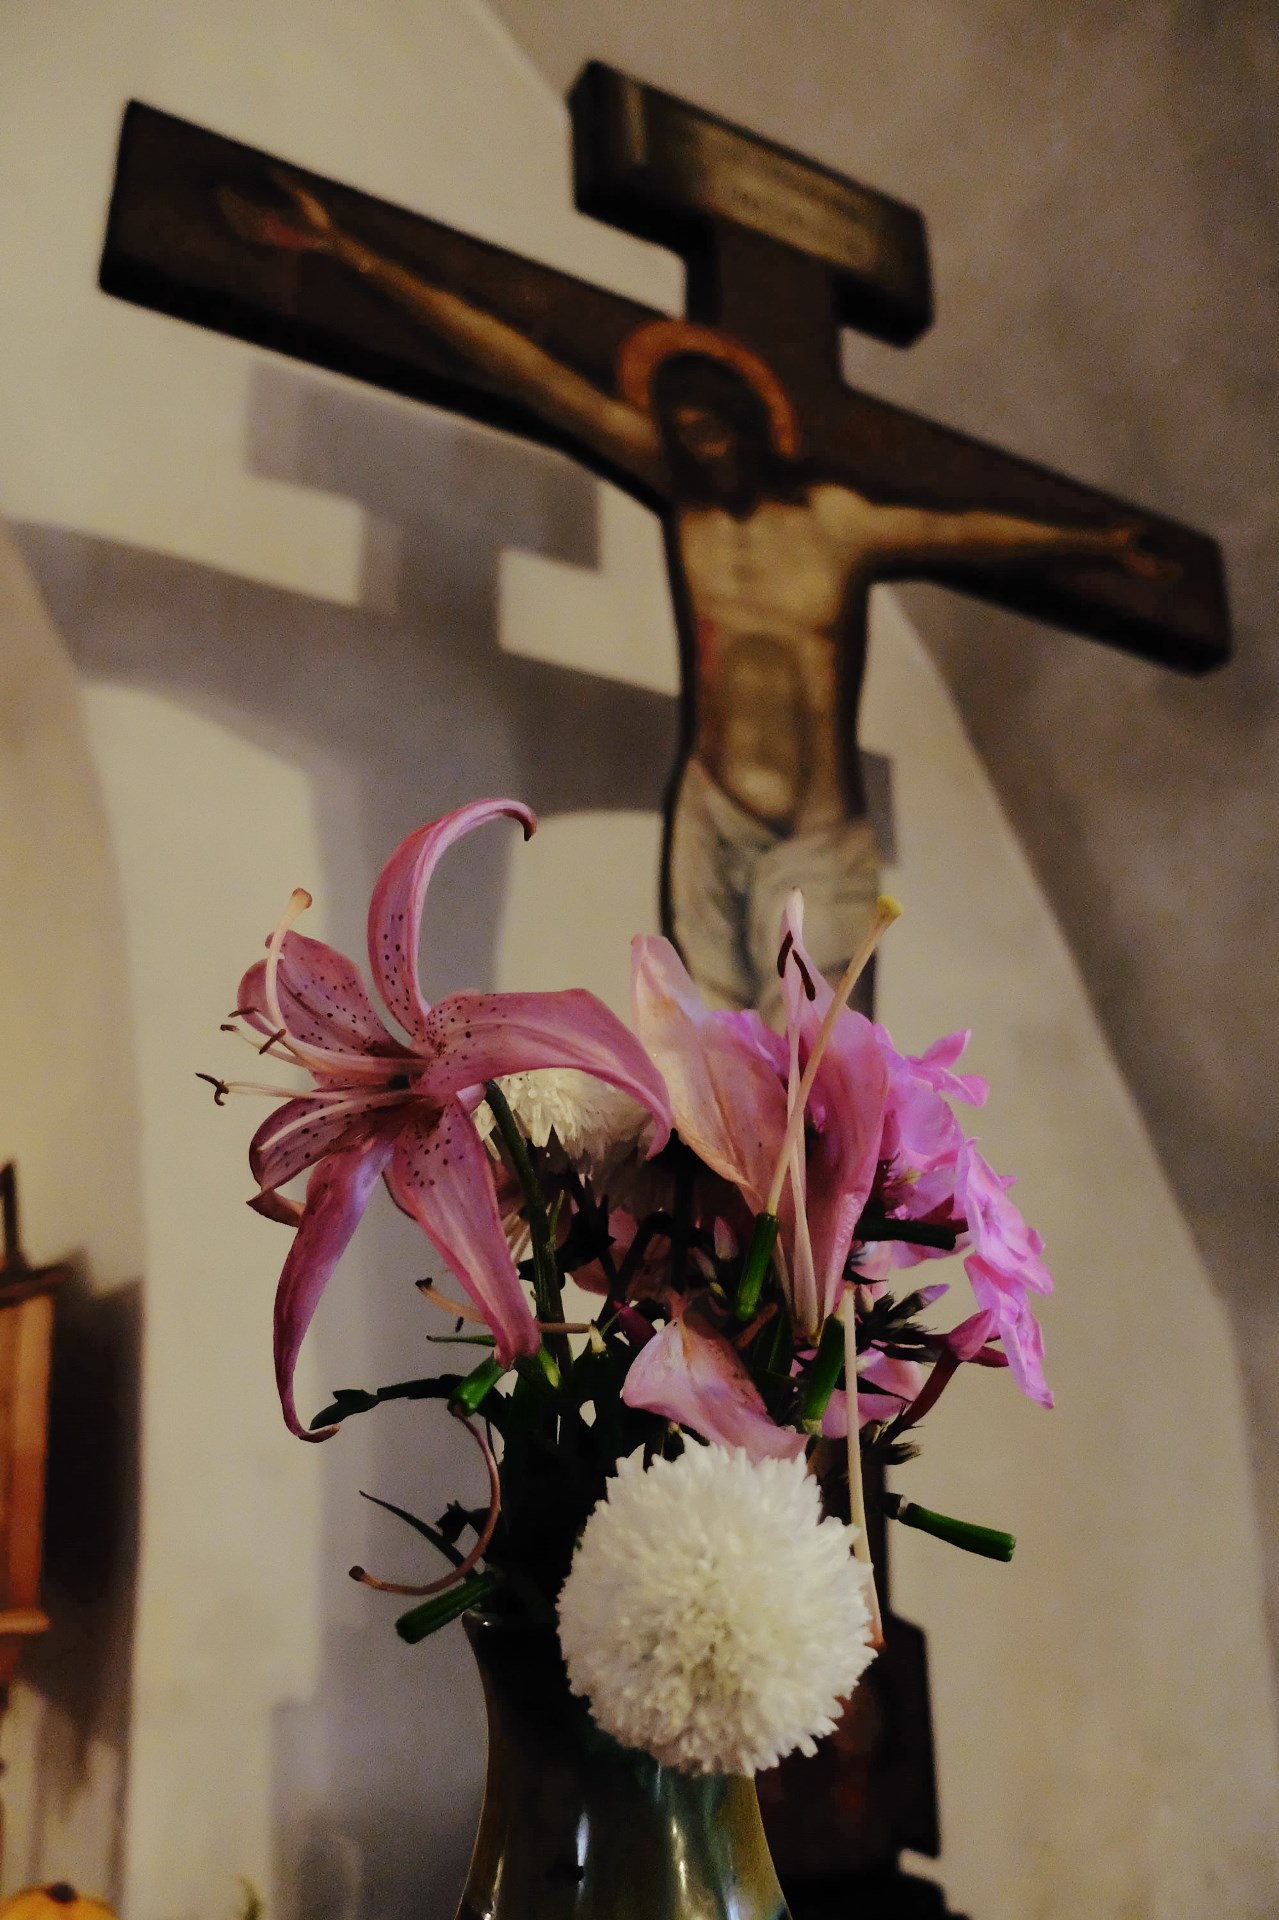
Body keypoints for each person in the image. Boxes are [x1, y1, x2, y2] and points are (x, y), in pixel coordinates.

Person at [220, 173, 1164, 1019]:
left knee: (815, 1071)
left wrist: (1097, 541)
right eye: (683, 428)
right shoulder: (689, 512)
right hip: (714, 819)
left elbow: (964, 530)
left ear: (751, 423)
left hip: (818, 832)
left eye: (715, 424)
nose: (701, 443)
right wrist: (352, 253)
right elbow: (533, 374)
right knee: (707, 1071)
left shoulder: (833, 523)